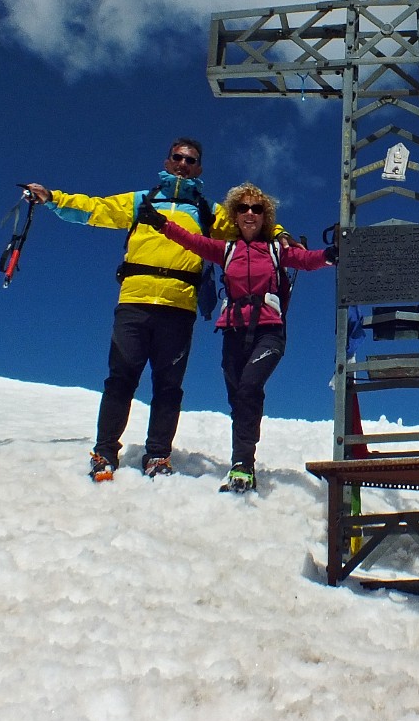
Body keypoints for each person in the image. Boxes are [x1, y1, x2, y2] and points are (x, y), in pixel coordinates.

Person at [24, 139, 291, 482]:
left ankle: (158, 455)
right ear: (167, 161)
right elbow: (97, 209)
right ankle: (105, 451)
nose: (183, 163)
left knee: (168, 385)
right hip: (134, 300)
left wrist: (281, 235)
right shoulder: (143, 201)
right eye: (178, 157)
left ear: (199, 168)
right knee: (121, 378)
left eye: (190, 160)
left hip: (178, 306)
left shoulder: (209, 211)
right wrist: (53, 198)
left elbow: (252, 224)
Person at [137, 182, 336, 493]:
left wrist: (329, 255)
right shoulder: (225, 250)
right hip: (232, 333)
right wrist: (162, 223)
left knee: (248, 388)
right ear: (234, 215)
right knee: (239, 400)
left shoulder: (274, 250)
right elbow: (191, 241)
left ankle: (243, 464)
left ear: (265, 216)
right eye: (243, 208)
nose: (250, 213)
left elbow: (306, 260)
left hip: (270, 332)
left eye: (257, 209)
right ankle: (243, 464)